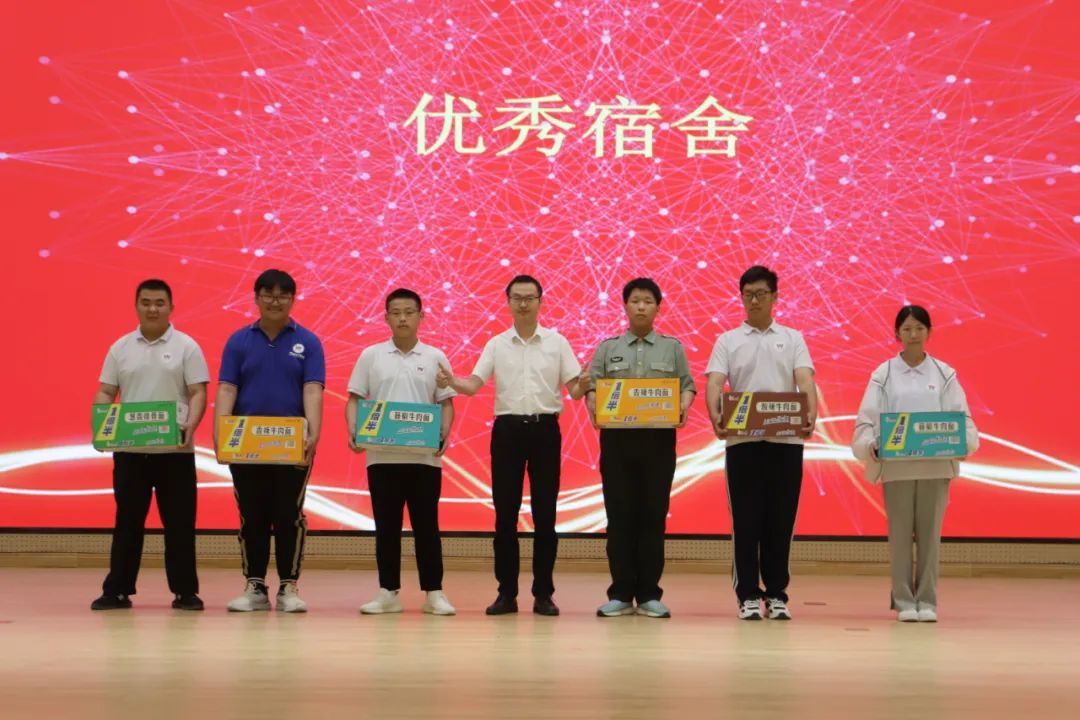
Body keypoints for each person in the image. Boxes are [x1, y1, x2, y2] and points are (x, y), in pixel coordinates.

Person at [436, 275, 587, 616]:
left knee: (545, 516)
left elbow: (575, 390)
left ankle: (543, 594)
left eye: (529, 297)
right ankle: (506, 593)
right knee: (505, 516)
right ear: (507, 303)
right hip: (507, 432)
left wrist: (587, 382)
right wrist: (452, 381)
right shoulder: (496, 344)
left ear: (540, 302)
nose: (523, 303)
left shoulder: (557, 342)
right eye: (517, 298)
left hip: (545, 430)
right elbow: (474, 385)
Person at [852, 305, 979, 622]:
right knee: (899, 537)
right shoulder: (883, 374)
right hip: (897, 470)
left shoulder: (944, 374)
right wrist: (871, 445)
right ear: (897, 333)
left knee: (930, 537)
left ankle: (928, 601)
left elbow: (962, 418)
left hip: (935, 468)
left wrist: (963, 443)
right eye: (907, 329)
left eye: (919, 328)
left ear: (929, 332)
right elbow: (866, 421)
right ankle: (904, 601)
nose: (913, 334)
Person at [705, 265, 817, 621]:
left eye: (761, 294)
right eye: (748, 294)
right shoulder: (728, 340)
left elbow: (805, 379)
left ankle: (777, 594)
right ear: (741, 297)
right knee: (746, 522)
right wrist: (715, 415)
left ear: (774, 297)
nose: (754, 300)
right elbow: (715, 383)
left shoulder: (793, 338)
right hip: (743, 444)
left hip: (786, 442)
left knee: (781, 521)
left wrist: (810, 413)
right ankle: (748, 595)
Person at [91, 279, 210, 611]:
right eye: (146, 302)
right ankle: (117, 590)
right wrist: (102, 427)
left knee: (180, 524)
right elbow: (106, 391)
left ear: (171, 307)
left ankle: (185, 592)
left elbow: (198, 391)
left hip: (176, 452)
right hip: (130, 452)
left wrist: (191, 425)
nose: (153, 309)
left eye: (159, 303)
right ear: (136, 306)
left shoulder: (187, 346)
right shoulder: (120, 347)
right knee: (127, 522)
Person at [584, 277, 696, 619]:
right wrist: (593, 406)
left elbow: (687, 385)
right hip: (617, 441)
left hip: (658, 441)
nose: (641, 306)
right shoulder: (608, 348)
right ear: (625, 306)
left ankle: (649, 593)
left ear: (658, 307)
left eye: (648, 301)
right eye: (635, 301)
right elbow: (592, 386)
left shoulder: (672, 348)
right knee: (619, 516)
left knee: (652, 515)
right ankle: (620, 593)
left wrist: (683, 404)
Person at [216, 269, 325, 613]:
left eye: (282, 295)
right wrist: (221, 433)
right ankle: (255, 586)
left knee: (288, 514)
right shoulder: (238, 341)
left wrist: (313, 432)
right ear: (256, 298)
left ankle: (289, 586)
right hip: (245, 444)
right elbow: (227, 389)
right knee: (252, 515)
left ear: (292, 299)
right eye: (268, 294)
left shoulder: (308, 342)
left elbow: (312, 389)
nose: (275, 301)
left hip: (292, 445)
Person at [346, 288, 457, 616]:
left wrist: (444, 433)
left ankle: (434, 593)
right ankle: (388, 592)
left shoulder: (435, 356)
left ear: (421, 317)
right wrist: (354, 430)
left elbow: (446, 402)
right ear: (386, 318)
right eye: (396, 313)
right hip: (381, 458)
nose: (403, 318)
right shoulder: (371, 356)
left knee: (427, 527)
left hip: (425, 460)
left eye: (409, 312)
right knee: (386, 527)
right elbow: (355, 398)